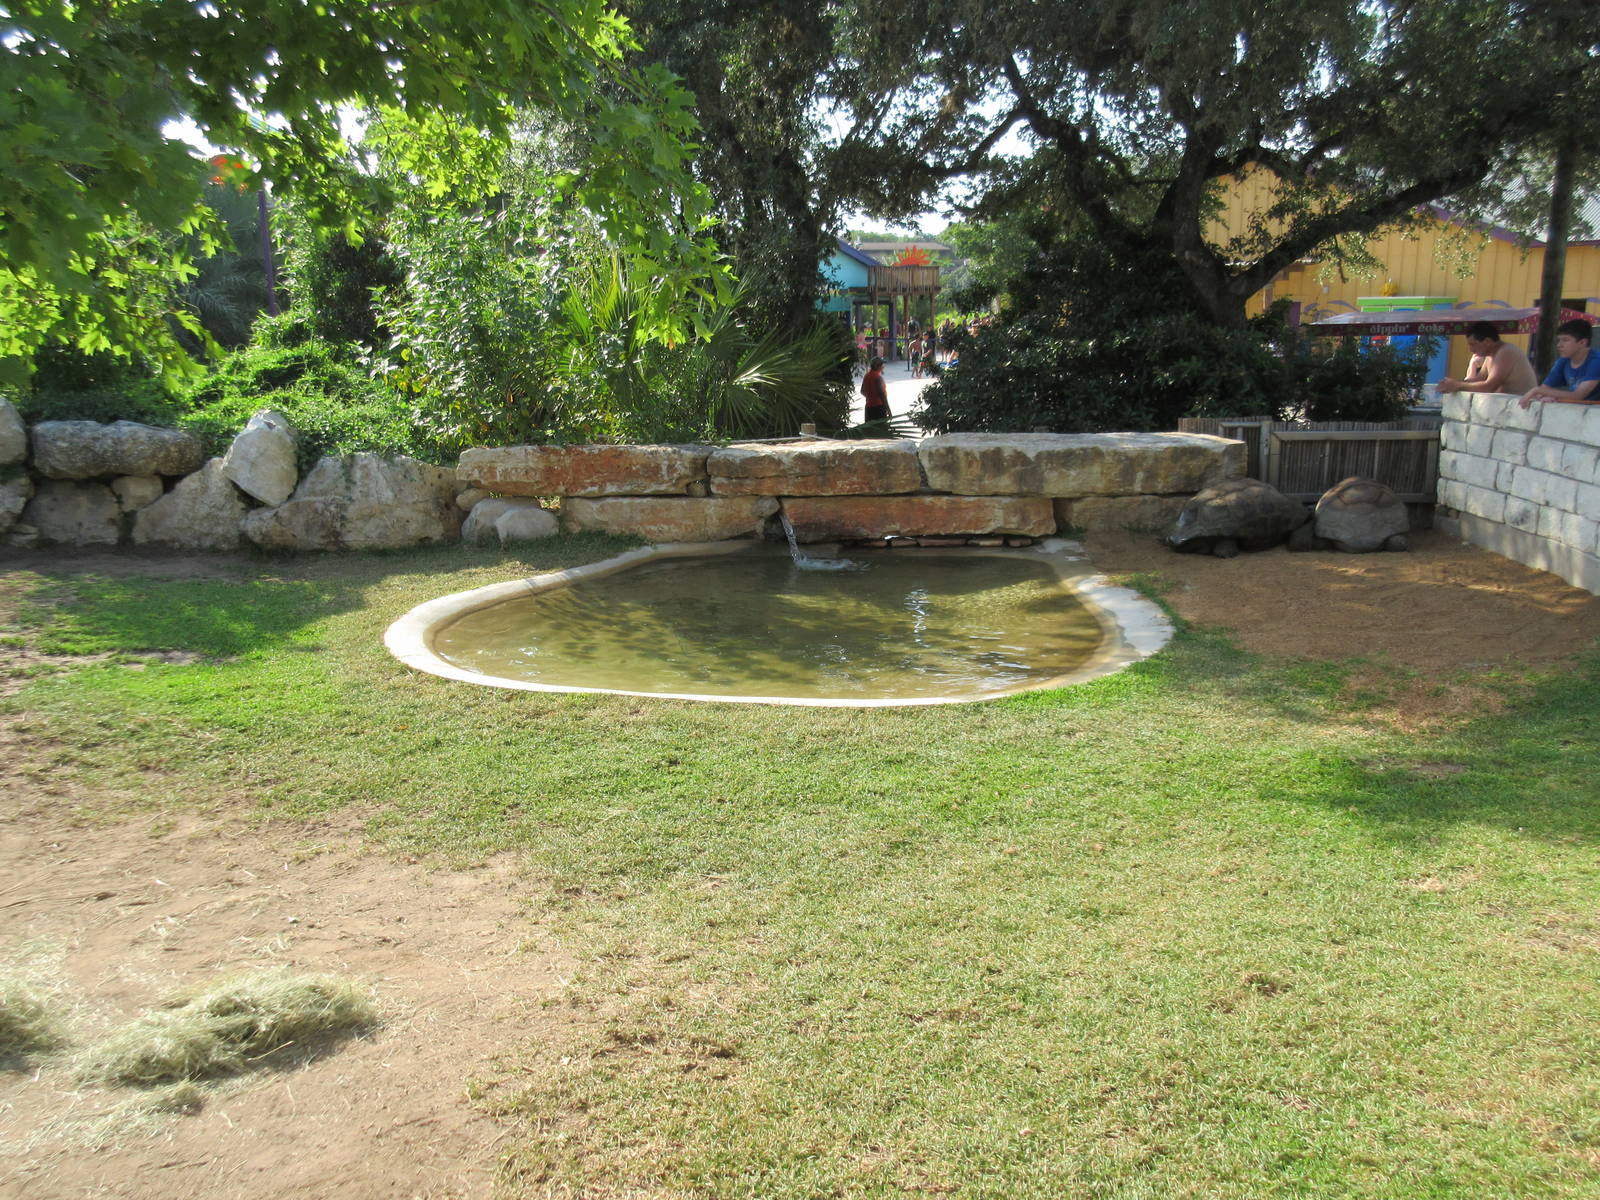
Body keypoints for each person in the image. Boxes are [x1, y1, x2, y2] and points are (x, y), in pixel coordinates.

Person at [1435, 322, 1537, 396]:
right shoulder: (1490, 356)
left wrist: (1457, 385)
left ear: (1487, 341)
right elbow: (1479, 380)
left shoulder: (1506, 351)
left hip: (1521, 408)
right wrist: (1451, 383)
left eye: (1473, 345)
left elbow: (1489, 387)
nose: (1471, 350)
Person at [1519, 319, 1600, 409]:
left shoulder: (1596, 361)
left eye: (1565, 340)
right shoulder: (1563, 361)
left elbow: (1578, 396)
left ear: (1582, 342)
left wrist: (1536, 390)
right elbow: (1543, 390)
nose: (1559, 345)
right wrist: (1546, 396)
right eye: (1559, 340)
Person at [861, 356, 890, 422]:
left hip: (869, 407)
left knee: (870, 430)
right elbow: (882, 395)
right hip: (879, 407)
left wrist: (870, 397)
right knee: (881, 429)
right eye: (882, 365)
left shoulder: (866, 376)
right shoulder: (878, 377)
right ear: (877, 366)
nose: (883, 366)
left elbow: (862, 391)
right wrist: (888, 410)